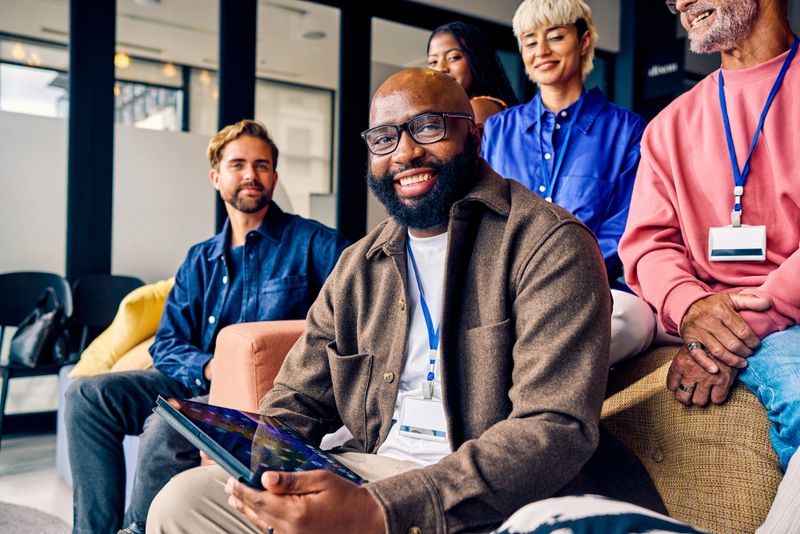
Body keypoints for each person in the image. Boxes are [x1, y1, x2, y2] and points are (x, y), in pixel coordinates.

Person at [147, 68, 664, 534]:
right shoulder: (358, 265)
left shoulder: (548, 243)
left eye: (429, 127)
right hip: (370, 467)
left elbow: (553, 429)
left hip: (488, 495)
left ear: (474, 134)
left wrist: (381, 510)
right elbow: (296, 402)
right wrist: (258, 466)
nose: (405, 152)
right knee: (185, 499)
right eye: (385, 137)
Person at [64, 119, 349, 534]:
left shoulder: (313, 243)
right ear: (217, 177)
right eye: (238, 165)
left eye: (262, 164)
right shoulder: (199, 259)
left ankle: (140, 530)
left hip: (260, 396)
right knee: (86, 396)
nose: (251, 174)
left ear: (274, 175)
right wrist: (209, 368)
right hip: (197, 382)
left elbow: (357, 298)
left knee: (167, 424)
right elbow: (167, 342)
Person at [619, 0, 800, 531]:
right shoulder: (669, 124)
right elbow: (648, 245)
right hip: (699, 315)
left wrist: (734, 329)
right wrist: (692, 306)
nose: (676, 2)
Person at [481, 0, 656, 365]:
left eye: (556, 36)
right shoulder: (498, 129)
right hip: (508, 287)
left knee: (635, 319)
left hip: (592, 288)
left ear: (583, 41)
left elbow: (624, 226)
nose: (541, 51)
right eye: (530, 41)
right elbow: (485, 214)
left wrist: (564, 272)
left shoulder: (627, 131)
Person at [426, 21, 520, 124]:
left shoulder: (477, 108)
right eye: (433, 62)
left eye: (454, 57)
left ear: (477, 60)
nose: (440, 68)